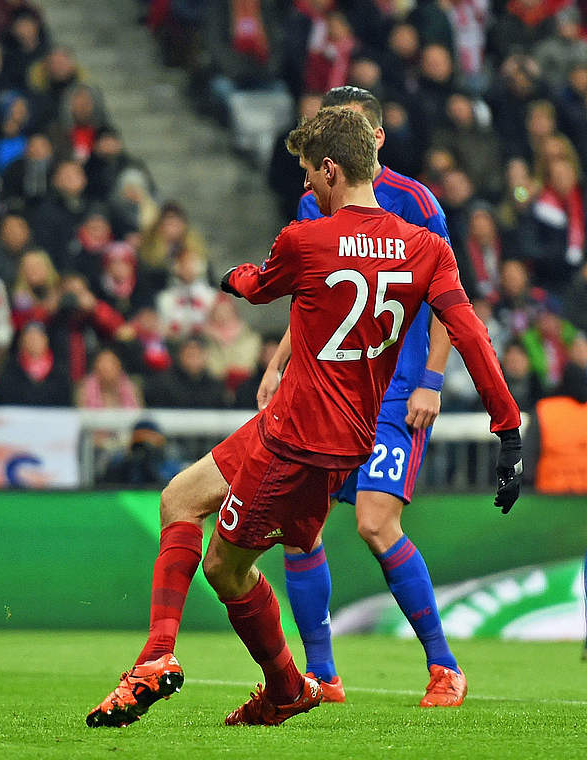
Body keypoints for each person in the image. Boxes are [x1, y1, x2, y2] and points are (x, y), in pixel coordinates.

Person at [86, 106, 523, 729]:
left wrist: (230, 278)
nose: (308, 188)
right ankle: (215, 667)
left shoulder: (307, 239)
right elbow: (472, 337)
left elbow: (261, 286)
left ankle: (258, 679)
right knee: (180, 497)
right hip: (346, 435)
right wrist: (507, 432)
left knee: (223, 568)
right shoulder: (427, 249)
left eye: (310, 175)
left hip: (296, 437)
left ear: (331, 169)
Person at [259, 86, 466, 707]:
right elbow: (310, 297)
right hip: (324, 390)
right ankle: (323, 673)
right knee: (300, 530)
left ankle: (444, 666)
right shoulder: (309, 202)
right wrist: (276, 368)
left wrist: (431, 381)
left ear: (376, 137)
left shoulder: (417, 203)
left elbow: (448, 301)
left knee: (376, 523)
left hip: (393, 393)